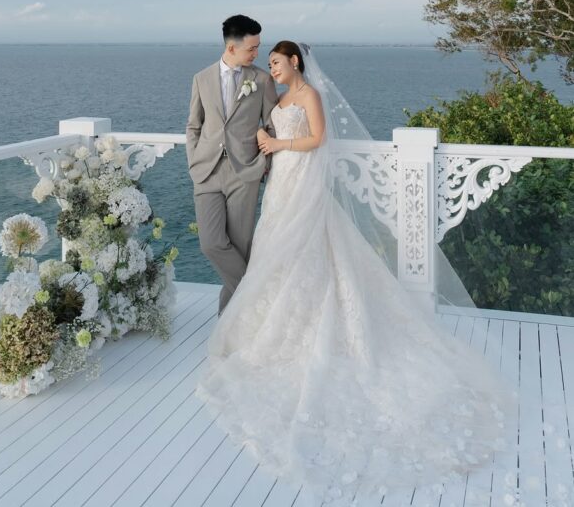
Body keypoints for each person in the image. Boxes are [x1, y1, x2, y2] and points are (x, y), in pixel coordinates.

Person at [196, 41, 516, 505]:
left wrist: (278, 142)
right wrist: (264, 141)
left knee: (305, 250)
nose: (272, 68)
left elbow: (318, 139)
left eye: (277, 62)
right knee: (274, 249)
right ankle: (271, 323)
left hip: (301, 177)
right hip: (280, 180)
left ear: (295, 62)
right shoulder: (279, 97)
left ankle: (311, 323)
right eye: (269, 63)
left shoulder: (308, 96)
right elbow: (263, 130)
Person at [186, 14, 278, 315]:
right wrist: (193, 161)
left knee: (240, 247)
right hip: (207, 172)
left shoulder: (262, 80)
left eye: (258, 47)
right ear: (231, 47)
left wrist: (263, 161)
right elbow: (194, 126)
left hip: (245, 172)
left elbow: (273, 126)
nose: (256, 54)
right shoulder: (201, 79)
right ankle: (258, 296)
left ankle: (229, 323)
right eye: (252, 48)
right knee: (210, 243)